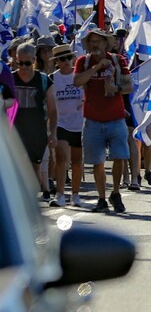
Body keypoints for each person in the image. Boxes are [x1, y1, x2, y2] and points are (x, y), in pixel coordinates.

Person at [74, 28, 131, 213]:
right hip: (93, 120)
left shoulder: (118, 60)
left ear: (106, 43)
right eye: (92, 42)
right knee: (97, 162)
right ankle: (101, 198)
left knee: (120, 156)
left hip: (115, 118)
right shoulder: (84, 62)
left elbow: (129, 86)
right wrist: (97, 67)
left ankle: (115, 192)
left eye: (98, 41)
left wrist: (116, 89)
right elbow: (77, 81)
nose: (95, 45)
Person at [10, 42, 57, 201]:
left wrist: (53, 133)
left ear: (34, 59)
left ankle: (32, 198)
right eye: (20, 62)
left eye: (27, 63)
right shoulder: (9, 79)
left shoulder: (43, 80)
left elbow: (52, 110)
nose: (23, 66)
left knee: (34, 167)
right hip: (14, 131)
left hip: (37, 131)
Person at [50, 44, 83, 207]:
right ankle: (60, 194)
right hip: (60, 123)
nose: (66, 61)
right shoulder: (52, 78)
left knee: (77, 161)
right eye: (62, 59)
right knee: (62, 159)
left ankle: (75, 194)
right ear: (56, 62)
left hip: (79, 123)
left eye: (69, 58)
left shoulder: (79, 77)